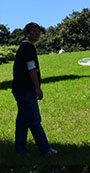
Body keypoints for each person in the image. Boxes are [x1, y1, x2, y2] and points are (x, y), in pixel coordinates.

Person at [11, 22, 58, 156]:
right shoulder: (28, 47)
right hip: (26, 90)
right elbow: (31, 68)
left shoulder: (25, 46)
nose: (37, 33)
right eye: (34, 31)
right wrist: (37, 88)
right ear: (27, 33)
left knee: (23, 121)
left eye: (38, 31)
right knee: (34, 119)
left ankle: (20, 150)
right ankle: (45, 149)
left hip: (19, 89)